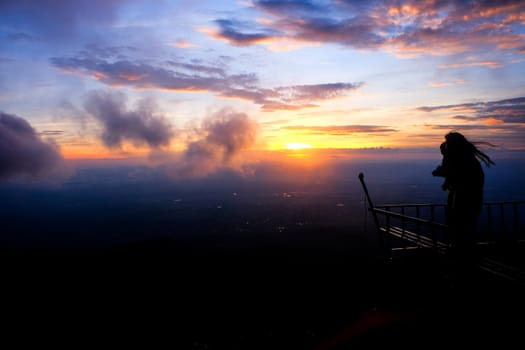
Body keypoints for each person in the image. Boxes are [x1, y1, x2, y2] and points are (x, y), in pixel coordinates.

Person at [432, 132, 495, 264]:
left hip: (464, 199)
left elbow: (459, 176)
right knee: (464, 228)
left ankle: (464, 259)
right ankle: (465, 256)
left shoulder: (464, 160)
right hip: (469, 198)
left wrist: (442, 174)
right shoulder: (467, 160)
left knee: (461, 228)